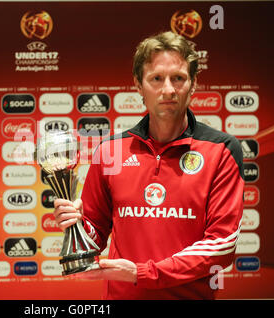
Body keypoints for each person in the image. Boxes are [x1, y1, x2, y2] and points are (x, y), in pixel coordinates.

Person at [53, 31, 244, 299]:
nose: (168, 89)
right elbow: (93, 237)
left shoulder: (222, 150)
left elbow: (221, 245)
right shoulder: (110, 150)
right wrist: (76, 226)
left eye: (178, 78)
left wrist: (142, 273)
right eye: (156, 78)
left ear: (193, 84)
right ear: (139, 85)